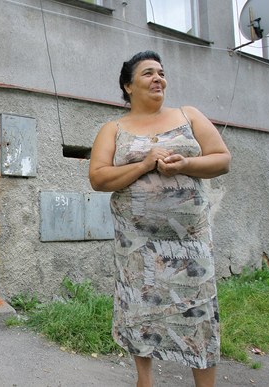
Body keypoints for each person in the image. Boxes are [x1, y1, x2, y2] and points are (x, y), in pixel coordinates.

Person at [88, 51, 231, 387]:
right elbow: (98, 177)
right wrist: (144, 164)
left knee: (199, 313)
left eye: (161, 73)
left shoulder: (188, 115)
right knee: (141, 310)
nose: (158, 79)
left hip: (190, 244)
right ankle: (144, 380)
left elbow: (222, 160)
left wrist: (184, 165)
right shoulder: (114, 128)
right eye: (148, 73)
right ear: (128, 86)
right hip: (138, 246)